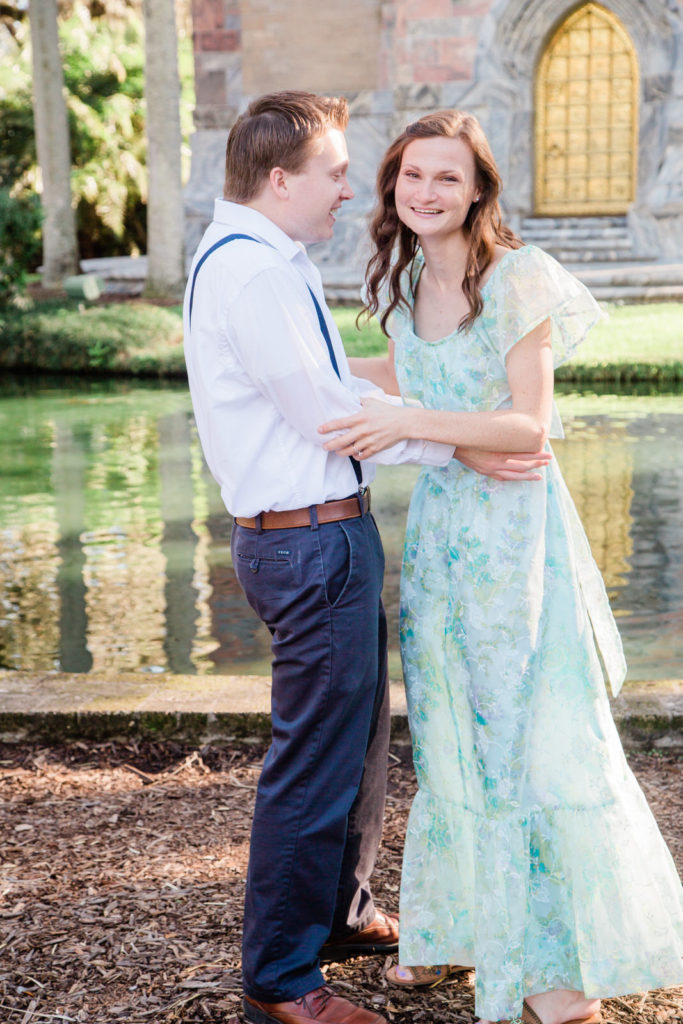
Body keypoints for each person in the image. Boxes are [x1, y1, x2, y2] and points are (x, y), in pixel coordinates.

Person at [182, 93, 548, 1024]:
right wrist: (459, 445)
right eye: (335, 172)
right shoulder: (253, 275)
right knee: (313, 759)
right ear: (281, 179)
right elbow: (330, 415)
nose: (350, 189)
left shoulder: (267, 259)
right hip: (304, 541)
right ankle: (281, 978)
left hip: (319, 535)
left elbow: (336, 384)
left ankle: (341, 912)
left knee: (357, 740)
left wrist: (436, 421)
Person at [319, 109, 683, 1024]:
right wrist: (290, 365)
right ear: (392, 187)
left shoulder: (521, 278)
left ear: (479, 187)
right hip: (442, 534)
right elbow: (406, 379)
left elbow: (528, 427)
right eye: (411, 175)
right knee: (449, 727)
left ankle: (554, 968)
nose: (425, 191)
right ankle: (460, 927)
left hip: (515, 541)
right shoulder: (405, 281)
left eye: (447, 176)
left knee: (519, 731)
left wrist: (415, 426)